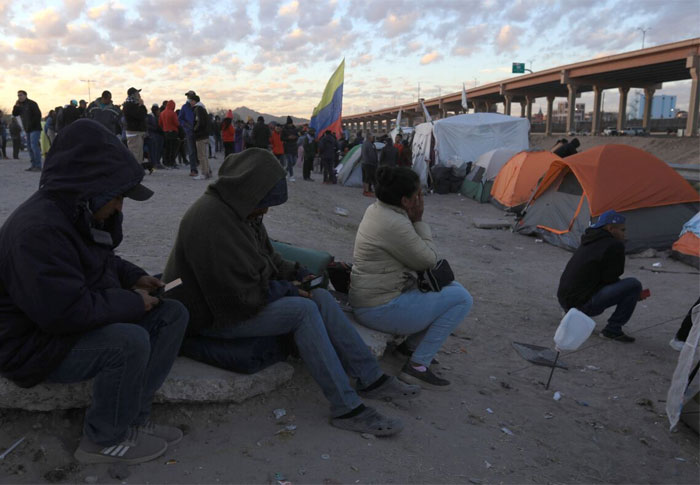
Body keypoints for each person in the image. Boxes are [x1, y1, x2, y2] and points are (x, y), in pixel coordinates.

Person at [162, 148, 418, 436]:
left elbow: (270, 259)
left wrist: (299, 274)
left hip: (238, 302)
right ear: (250, 190)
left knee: (320, 296)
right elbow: (235, 296)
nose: (266, 210)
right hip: (213, 316)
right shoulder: (211, 221)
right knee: (303, 310)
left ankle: (371, 378)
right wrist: (289, 290)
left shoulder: (241, 212)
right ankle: (346, 407)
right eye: (265, 202)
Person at [0, 119, 188, 464]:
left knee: (171, 314)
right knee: (128, 342)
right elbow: (64, 313)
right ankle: (102, 440)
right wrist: (132, 302)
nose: (120, 207)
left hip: (59, 326)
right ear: (91, 189)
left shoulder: (76, 212)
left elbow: (100, 262)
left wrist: (136, 277)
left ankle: (132, 418)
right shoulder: (37, 231)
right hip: (30, 343)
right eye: (117, 197)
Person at [350, 166, 473, 390]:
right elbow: (429, 260)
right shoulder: (395, 223)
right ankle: (417, 367)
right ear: (406, 201)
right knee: (462, 299)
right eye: (418, 194)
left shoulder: (378, 210)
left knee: (451, 287)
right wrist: (419, 221)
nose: (421, 199)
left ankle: (409, 348)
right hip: (377, 309)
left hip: (371, 301)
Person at [557, 210, 645, 343]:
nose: (624, 234)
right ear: (610, 228)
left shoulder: (589, 239)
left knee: (626, 287)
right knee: (634, 285)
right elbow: (611, 277)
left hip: (565, 299)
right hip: (582, 304)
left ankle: (571, 313)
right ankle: (613, 329)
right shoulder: (614, 245)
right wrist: (628, 293)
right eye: (622, 230)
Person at [12, 90, 42, 171]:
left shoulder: (32, 104)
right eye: (18, 95)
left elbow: (38, 115)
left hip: (34, 128)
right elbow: (15, 114)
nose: (19, 97)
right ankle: (33, 165)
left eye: (21, 95)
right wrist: (16, 106)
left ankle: (38, 166)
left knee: (34, 146)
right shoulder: (20, 105)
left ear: (25, 95)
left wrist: (31, 125)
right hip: (27, 129)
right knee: (29, 147)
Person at [122, 87, 148, 169]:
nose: (139, 95)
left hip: (136, 133)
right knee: (135, 154)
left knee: (139, 154)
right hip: (134, 133)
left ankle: (137, 171)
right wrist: (142, 105)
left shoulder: (133, 104)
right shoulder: (129, 105)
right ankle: (135, 172)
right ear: (133, 95)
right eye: (137, 93)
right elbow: (141, 115)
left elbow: (143, 115)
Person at [190, 94, 210, 180]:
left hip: (200, 136)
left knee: (201, 155)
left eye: (191, 100)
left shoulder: (198, 109)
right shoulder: (203, 108)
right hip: (204, 135)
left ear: (194, 101)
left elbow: (199, 122)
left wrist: (194, 130)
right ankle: (207, 172)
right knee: (204, 155)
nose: (190, 102)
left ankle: (204, 173)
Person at [179, 91, 198, 176]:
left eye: (190, 96)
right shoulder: (184, 107)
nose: (189, 98)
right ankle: (193, 169)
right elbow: (180, 119)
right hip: (189, 132)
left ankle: (205, 169)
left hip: (198, 132)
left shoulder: (198, 107)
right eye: (188, 96)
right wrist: (186, 125)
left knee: (200, 151)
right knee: (191, 151)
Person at [159, 100, 180, 168]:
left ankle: (166, 162)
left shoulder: (162, 113)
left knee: (166, 148)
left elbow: (160, 123)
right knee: (173, 148)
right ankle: (172, 162)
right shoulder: (173, 113)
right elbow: (176, 123)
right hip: (173, 133)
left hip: (165, 132)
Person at [147, 104, 165, 169]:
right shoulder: (150, 116)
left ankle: (157, 162)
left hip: (159, 135)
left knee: (159, 150)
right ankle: (154, 163)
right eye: (158, 110)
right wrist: (156, 128)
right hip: (153, 135)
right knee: (154, 150)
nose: (159, 112)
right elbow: (148, 126)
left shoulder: (158, 117)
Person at [281, 116, 298, 181]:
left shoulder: (295, 129)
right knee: (290, 162)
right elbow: (281, 138)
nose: (290, 125)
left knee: (294, 162)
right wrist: (288, 138)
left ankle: (285, 171)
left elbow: (297, 136)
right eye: (289, 123)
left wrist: (295, 137)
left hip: (294, 146)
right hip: (287, 146)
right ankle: (291, 175)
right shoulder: (284, 129)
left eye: (291, 123)